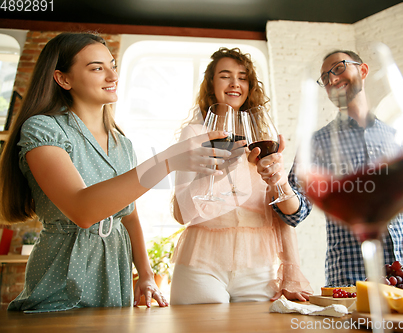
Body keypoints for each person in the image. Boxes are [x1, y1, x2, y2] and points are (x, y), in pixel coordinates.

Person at [0, 32, 231, 312]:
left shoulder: (122, 143)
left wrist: (145, 275)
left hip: (115, 274)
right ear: (63, 79)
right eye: (97, 68)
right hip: (63, 274)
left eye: (113, 65)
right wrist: (168, 160)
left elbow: (128, 215)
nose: (112, 76)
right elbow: (82, 209)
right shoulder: (42, 129)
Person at [250, 49, 403, 288]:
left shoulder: (399, 138)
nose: (332, 79)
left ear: (363, 70)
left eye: (338, 68)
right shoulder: (316, 144)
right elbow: (295, 213)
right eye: (325, 78)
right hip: (352, 283)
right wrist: (280, 182)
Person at [170, 47, 312, 304]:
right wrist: (221, 168)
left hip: (257, 264)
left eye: (243, 77)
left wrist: (291, 270)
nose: (235, 83)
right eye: (225, 75)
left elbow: (283, 215)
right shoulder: (194, 135)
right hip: (201, 261)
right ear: (211, 84)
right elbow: (182, 213)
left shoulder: (263, 137)